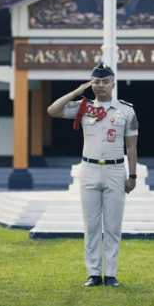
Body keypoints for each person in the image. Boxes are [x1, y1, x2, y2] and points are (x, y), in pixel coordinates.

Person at [47, 62, 138, 287]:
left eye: (105, 81)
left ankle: (112, 274)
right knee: (92, 225)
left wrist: (132, 176)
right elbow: (53, 110)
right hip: (89, 169)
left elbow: (132, 146)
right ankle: (94, 273)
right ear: (91, 83)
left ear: (113, 84)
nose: (100, 86)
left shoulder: (126, 110)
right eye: (96, 81)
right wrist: (78, 91)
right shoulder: (83, 107)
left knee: (113, 226)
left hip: (115, 170)